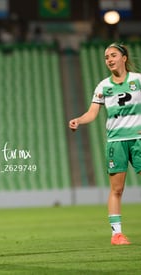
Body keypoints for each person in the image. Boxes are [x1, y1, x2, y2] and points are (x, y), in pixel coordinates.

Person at [69, 43, 141, 245]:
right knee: (117, 190)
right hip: (116, 142)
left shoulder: (138, 80)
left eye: (113, 55)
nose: (109, 59)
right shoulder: (103, 86)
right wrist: (79, 120)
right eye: (106, 57)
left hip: (138, 140)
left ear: (124, 58)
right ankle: (116, 234)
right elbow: (92, 113)